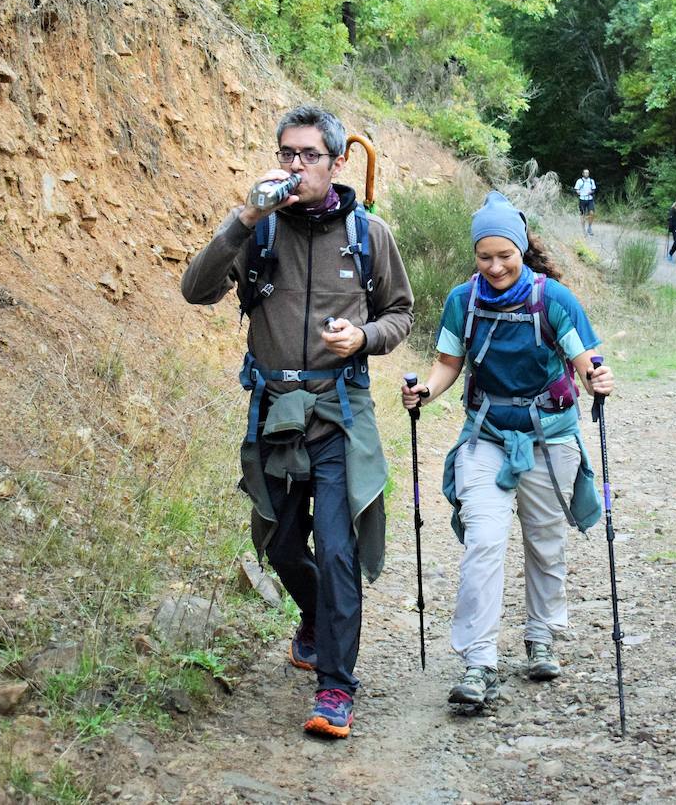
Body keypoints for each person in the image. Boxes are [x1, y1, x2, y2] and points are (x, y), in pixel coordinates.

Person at [181, 104, 414, 739]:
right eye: (286, 153)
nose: (294, 166)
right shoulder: (259, 232)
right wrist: (243, 218)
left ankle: (335, 688)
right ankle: (315, 617)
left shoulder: (370, 235)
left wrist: (363, 337)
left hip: (339, 412)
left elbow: (400, 314)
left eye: (308, 155)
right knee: (279, 545)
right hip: (274, 413)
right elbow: (194, 290)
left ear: (338, 163)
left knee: (338, 551)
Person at [399, 191, 614, 711]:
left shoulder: (553, 299)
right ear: (475, 254)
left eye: (505, 255)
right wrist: (426, 390)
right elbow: (450, 362)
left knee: (544, 541)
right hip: (487, 435)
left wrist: (597, 379)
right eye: (485, 256)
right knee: (484, 541)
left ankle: (541, 636)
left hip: (550, 436)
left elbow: (585, 363)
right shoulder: (463, 300)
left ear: (521, 250)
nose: (495, 266)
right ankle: (479, 663)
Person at [574, 169, 597, 236]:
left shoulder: (591, 181)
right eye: (585, 173)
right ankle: (583, 230)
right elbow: (576, 189)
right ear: (583, 174)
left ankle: (589, 228)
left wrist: (591, 192)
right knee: (582, 215)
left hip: (590, 199)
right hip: (582, 199)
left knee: (592, 213)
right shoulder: (579, 181)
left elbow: (593, 189)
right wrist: (578, 192)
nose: (587, 174)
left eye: (588, 173)